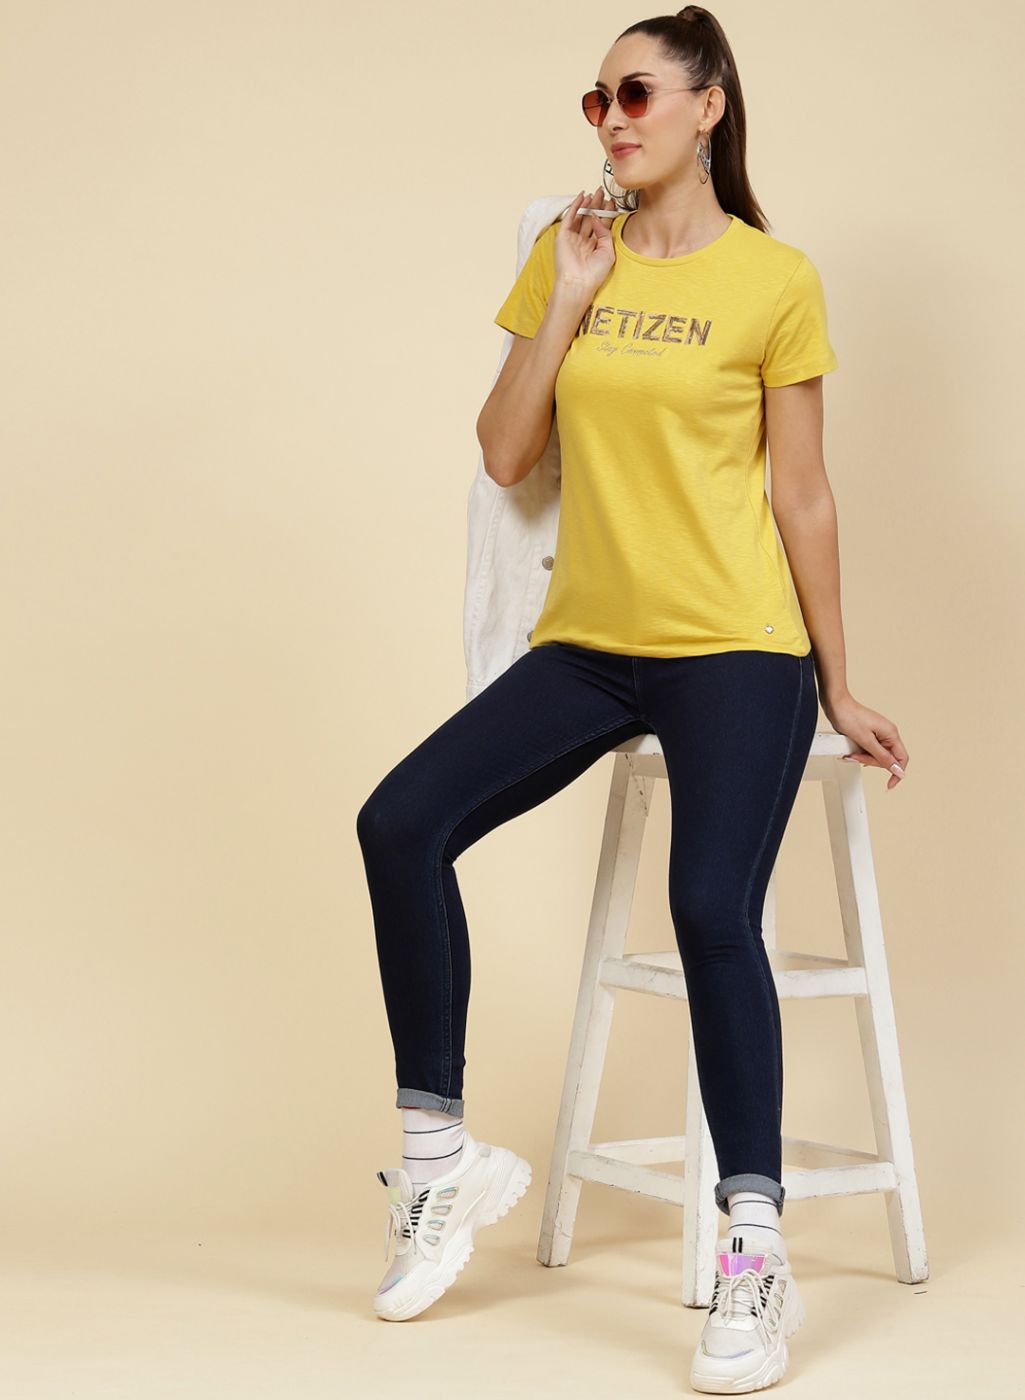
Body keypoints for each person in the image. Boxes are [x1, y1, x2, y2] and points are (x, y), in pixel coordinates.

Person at [357, 5, 909, 1390]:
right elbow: (504, 454)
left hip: (736, 645)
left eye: (637, 93)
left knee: (709, 907)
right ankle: (439, 1160)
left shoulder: (775, 278)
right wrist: (566, 297)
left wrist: (838, 680)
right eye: (595, 99)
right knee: (399, 824)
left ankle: (752, 1253)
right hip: (591, 643)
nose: (611, 118)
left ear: (708, 105)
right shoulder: (568, 250)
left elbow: (802, 493)